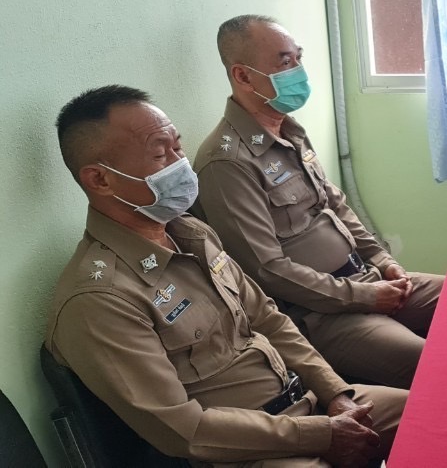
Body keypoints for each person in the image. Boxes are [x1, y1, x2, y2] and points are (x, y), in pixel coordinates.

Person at [47, 85, 404, 467]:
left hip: (307, 404)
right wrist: (318, 435)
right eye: (160, 154)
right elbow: (183, 429)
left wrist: (335, 394)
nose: (181, 164)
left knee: (433, 412)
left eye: (178, 147)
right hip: (246, 452)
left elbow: (268, 318)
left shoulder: (191, 234)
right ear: (100, 180)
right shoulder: (99, 300)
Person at [191, 15, 443, 390]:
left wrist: (383, 261)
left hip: (366, 278)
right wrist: (364, 297)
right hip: (321, 315)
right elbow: (268, 270)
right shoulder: (227, 163)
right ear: (243, 76)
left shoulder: (289, 131)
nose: (298, 71)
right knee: (435, 361)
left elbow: (336, 207)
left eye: (299, 58)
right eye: (285, 62)